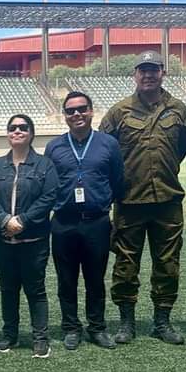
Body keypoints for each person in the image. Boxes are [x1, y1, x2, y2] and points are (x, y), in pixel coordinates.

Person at [100, 50, 186, 345]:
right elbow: (106, 153)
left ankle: (161, 322)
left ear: (162, 72)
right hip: (130, 201)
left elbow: (183, 148)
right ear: (135, 75)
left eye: (153, 70)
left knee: (167, 263)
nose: (148, 75)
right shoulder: (119, 111)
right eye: (143, 70)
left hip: (167, 200)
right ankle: (127, 322)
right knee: (126, 264)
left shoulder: (178, 109)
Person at [45, 91, 124, 351]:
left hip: (96, 222)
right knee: (66, 280)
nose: (76, 114)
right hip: (64, 222)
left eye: (81, 109)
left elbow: (117, 181)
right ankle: (70, 328)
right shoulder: (54, 147)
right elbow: (48, 186)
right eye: (70, 111)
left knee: (95, 279)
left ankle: (97, 327)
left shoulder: (108, 144)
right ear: (64, 116)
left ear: (91, 111)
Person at [0, 114, 58, 358]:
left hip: (33, 240)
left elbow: (49, 197)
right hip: (2, 240)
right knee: (8, 288)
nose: (17, 131)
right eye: (12, 128)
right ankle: (10, 335)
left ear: (31, 133)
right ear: (7, 134)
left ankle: (40, 338)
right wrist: (6, 220)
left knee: (35, 290)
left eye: (23, 127)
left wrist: (22, 221)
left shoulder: (44, 165)